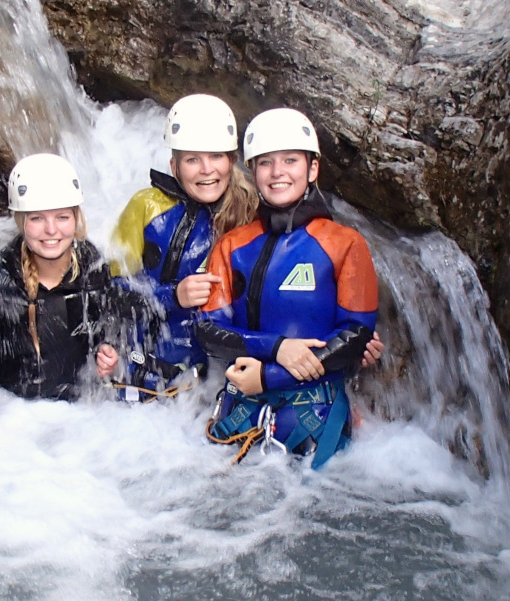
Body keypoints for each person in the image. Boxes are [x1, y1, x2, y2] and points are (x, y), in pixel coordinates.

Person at [196, 108, 383, 468]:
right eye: (265, 163)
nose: (278, 172)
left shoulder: (346, 244)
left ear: (313, 169)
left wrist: (269, 377)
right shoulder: (232, 245)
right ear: (252, 171)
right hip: (240, 415)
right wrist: (277, 348)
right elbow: (208, 330)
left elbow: (356, 335)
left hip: (313, 420)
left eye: (290, 160)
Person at [110, 94, 258, 400]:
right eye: (193, 159)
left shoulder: (251, 215)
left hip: (214, 384)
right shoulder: (144, 206)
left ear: (231, 160)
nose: (206, 169)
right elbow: (110, 293)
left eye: (216, 156)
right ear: (174, 166)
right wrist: (174, 295)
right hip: (140, 373)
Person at [0, 153, 126, 412]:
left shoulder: (93, 271)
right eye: (37, 218)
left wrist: (108, 349)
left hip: (83, 419)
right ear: (21, 222)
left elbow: (108, 322)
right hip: (16, 422)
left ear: (76, 219)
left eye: (62, 217)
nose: (51, 230)